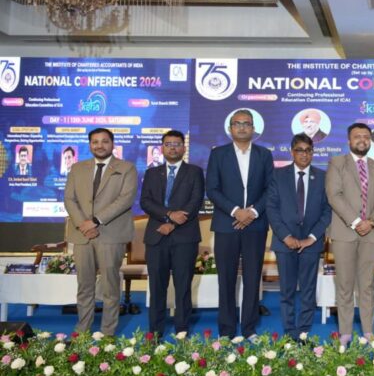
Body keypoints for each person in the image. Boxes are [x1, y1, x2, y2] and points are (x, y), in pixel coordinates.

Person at [206, 109, 274, 339]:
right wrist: (236, 212)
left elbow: (270, 188)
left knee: (252, 278)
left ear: (253, 128)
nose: (242, 127)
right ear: (230, 128)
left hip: (256, 225)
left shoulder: (264, 155)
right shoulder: (218, 154)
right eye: (237, 123)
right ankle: (226, 330)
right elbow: (212, 188)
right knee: (225, 279)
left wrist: (252, 212)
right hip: (227, 224)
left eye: (247, 123)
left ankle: (249, 329)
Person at [63, 128, 137, 336]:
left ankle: (107, 333)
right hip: (82, 235)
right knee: (84, 286)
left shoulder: (126, 168)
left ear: (112, 144)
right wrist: (83, 224)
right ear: (90, 145)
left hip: (111, 234)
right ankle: (82, 331)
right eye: (95, 142)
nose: (100, 145)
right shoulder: (77, 168)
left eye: (104, 141)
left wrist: (95, 221)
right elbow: (69, 199)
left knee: (109, 287)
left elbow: (125, 199)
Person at [325, 123, 374, 346]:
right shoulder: (337, 163)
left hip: (370, 233)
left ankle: (369, 331)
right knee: (344, 285)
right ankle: (345, 332)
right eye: (357, 136)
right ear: (349, 140)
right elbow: (334, 195)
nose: (362, 140)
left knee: (367, 285)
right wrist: (356, 221)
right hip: (345, 232)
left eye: (366, 136)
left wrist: (370, 222)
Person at [140, 130, 205, 338]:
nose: (173, 148)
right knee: (157, 286)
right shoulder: (152, 173)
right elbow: (145, 202)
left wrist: (173, 224)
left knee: (183, 286)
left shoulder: (194, 172)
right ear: (162, 148)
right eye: (168, 144)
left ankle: (182, 330)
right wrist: (169, 215)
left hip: (185, 237)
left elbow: (195, 202)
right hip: (156, 236)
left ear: (184, 148)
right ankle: (155, 331)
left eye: (177, 144)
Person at [266, 133, 332, 340]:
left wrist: (312, 237)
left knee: (308, 290)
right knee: (286, 291)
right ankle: (289, 331)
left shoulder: (323, 177)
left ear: (313, 152)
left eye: (308, 150)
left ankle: (303, 331)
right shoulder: (277, 175)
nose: (304, 154)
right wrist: (285, 236)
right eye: (300, 150)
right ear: (292, 152)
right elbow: (271, 208)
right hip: (284, 242)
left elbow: (327, 211)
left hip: (311, 243)